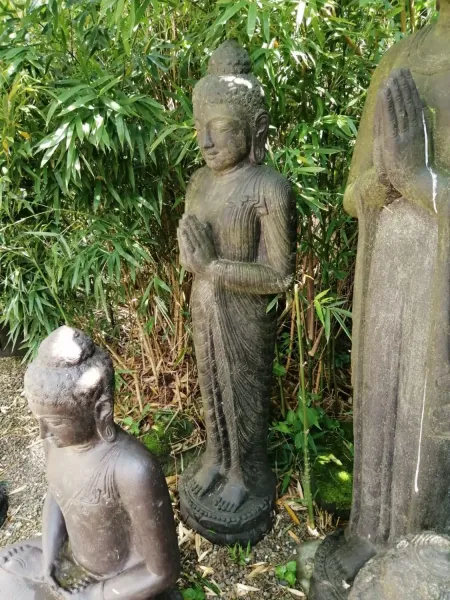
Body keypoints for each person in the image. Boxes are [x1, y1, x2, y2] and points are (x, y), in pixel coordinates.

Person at [178, 40, 297, 524]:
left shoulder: (269, 187)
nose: (206, 141)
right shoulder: (198, 182)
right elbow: (192, 252)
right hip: (203, 302)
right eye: (199, 128)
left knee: (241, 390)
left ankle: (245, 473)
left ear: (256, 129)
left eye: (221, 127)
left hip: (243, 312)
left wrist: (214, 267)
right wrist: (194, 258)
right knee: (210, 382)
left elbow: (280, 275)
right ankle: (215, 456)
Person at [0, 326, 180, 600]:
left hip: (117, 582)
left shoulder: (133, 469)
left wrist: (94, 595)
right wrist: (51, 555)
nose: (44, 433)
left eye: (55, 422)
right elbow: (56, 494)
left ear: (101, 411)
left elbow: (162, 572)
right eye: (40, 420)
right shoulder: (56, 442)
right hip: (72, 561)